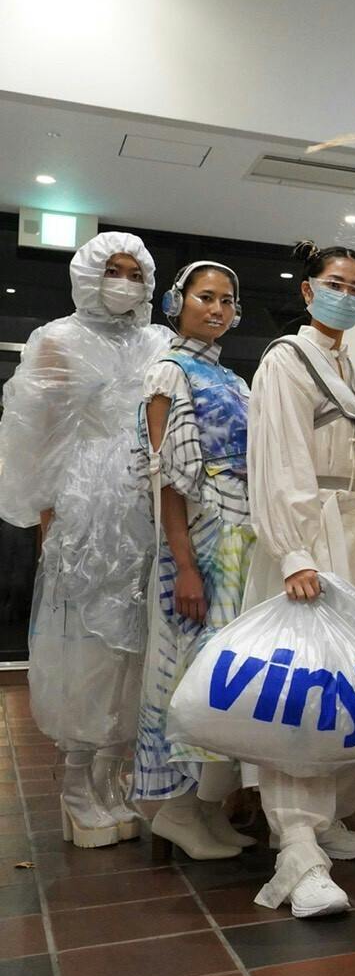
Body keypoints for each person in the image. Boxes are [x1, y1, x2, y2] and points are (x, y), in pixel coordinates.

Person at [245, 242, 355, 916]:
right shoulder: (286, 360)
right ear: (309, 291)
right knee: (301, 688)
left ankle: (330, 817)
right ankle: (297, 846)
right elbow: (278, 456)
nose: (348, 295)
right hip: (312, 539)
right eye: (336, 283)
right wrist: (294, 552)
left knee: (349, 683)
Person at [0, 231, 173, 848]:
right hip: (86, 506)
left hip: (150, 503)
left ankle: (113, 778)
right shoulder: (57, 339)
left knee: (137, 646)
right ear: (88, 275)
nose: (124, 282)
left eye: (135, 272)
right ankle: (77, 786)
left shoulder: (160, 342)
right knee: (87, 646)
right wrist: (48, 512)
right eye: (113, 270)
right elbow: (33, 434)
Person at [133, 260, 256, 860]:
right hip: (199, 542)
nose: (217, 309)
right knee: (187, 670)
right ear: (177, 302)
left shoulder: (230, 378)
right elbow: (165, 480)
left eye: (227, 300)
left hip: (238, 536)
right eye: (206, 297)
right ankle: (176, 809)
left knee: (223, 674)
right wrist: (184, 566)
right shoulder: (169, 371)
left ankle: (207, 806)